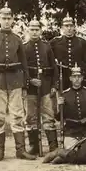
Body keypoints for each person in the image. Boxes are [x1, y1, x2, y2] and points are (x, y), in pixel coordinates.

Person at [0, 2, 35, 161]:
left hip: (16, 82)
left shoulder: (17, 39)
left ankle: (20, 150)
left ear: (13, 19)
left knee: (17, 116)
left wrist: (25, 84)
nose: (7, 21)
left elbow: (24, 65)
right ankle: (0, 151)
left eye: (9, 18)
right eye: (4, 18)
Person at [23, 19, 59, 154]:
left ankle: (53, 146)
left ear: (40, 31)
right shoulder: (24, 47)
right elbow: (21, 68)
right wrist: (30, 80)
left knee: (48, 115)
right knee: (31, 116)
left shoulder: (46, 46)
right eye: (31, 29)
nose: (34, 32)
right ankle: (34, 146)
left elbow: (54, 67)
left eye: (36, 29)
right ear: (28, 30)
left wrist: (54, 85)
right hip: (30, 88)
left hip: (46, 86)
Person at [56, 63, 86, 149]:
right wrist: (59, 105)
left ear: (82, 78)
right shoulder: (64, 94)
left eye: (79, 77)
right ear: (70, 78)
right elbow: (59, 117)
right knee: (71, 150)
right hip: (71, 131)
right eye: (74, 77)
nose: (77, 79)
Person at [50, 12, 86, 89]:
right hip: (61, 78)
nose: (69, 28)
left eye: (71, 26)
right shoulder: (54, 42)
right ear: (62, 28)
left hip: (78, 77)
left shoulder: (83, 42)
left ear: (74, 27)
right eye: (66, 26)